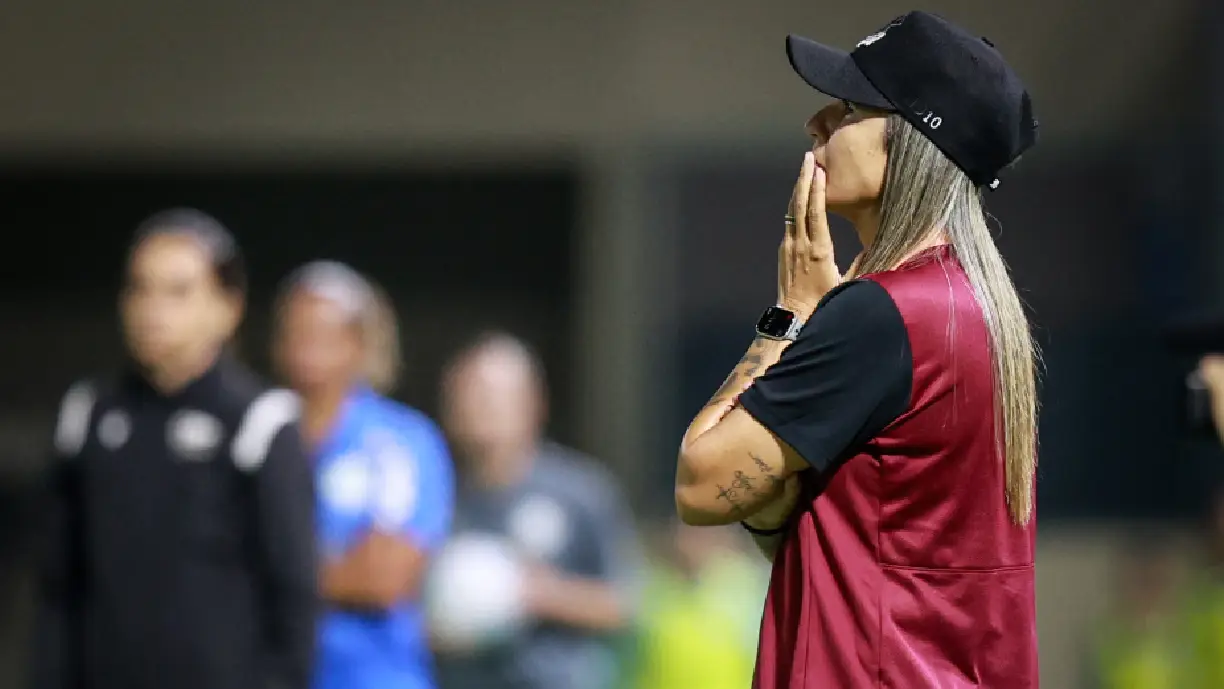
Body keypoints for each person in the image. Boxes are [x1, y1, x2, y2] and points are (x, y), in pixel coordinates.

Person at [672, 11, 1041, 688]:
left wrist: (788, 318)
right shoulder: (969, 306)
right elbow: (838, 535)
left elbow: (700, 485)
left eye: (847, 108)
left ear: (909, 141)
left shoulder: (881, 315)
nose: (816, 123)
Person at [31, 209, 317, 689]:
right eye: (139, 288)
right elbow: (58, 584)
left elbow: (293, 597)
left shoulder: (259, 421)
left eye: (178, 291)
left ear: (228, 307)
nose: (152, 309)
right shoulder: (89, 413)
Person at [272, 261, 454, 689]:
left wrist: (270, 575)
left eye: (325, 334)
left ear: (359, 343)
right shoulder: (257, 431)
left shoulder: (399, 441)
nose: (308, 348)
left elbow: (384, 577)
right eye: (298, 332)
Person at [433, 332, 640, 689]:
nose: (478, 409)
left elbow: (626, 604)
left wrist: (539, 593)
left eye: (491, 396)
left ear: (534, 402)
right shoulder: (437, 495)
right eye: (466, 396)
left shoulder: (581, 491)